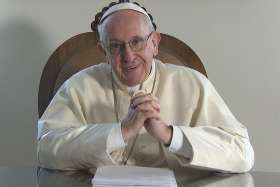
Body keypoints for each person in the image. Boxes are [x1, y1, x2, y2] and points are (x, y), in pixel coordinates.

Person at [37, 1, 254, 176]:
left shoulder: (193, 84)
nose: (128, 56)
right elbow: (45, 149)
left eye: (137, 42)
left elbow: (242, 153)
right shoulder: (79, 86)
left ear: (155, 43)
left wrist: (170, 134)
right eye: (115, 46)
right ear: (103, 50)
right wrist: (121, 132)